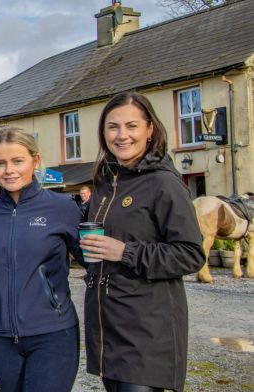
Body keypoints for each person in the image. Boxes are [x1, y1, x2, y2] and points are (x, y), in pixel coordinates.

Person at [80, 91, 205, 392]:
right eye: (113, 127)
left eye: (131, 126)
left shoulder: (163, 182)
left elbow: (190, 254)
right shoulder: (105, 182)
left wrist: (125, 251)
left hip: (148, 332)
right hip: (110, 328)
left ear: (150, 130)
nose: (122, 135)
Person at [0, 127, 81, 392]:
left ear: (35, 161)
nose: (9, 170)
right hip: (1, 337)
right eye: (0, 163)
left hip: (52, 333)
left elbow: (93, 262)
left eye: (17, 161)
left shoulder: (62, 208)